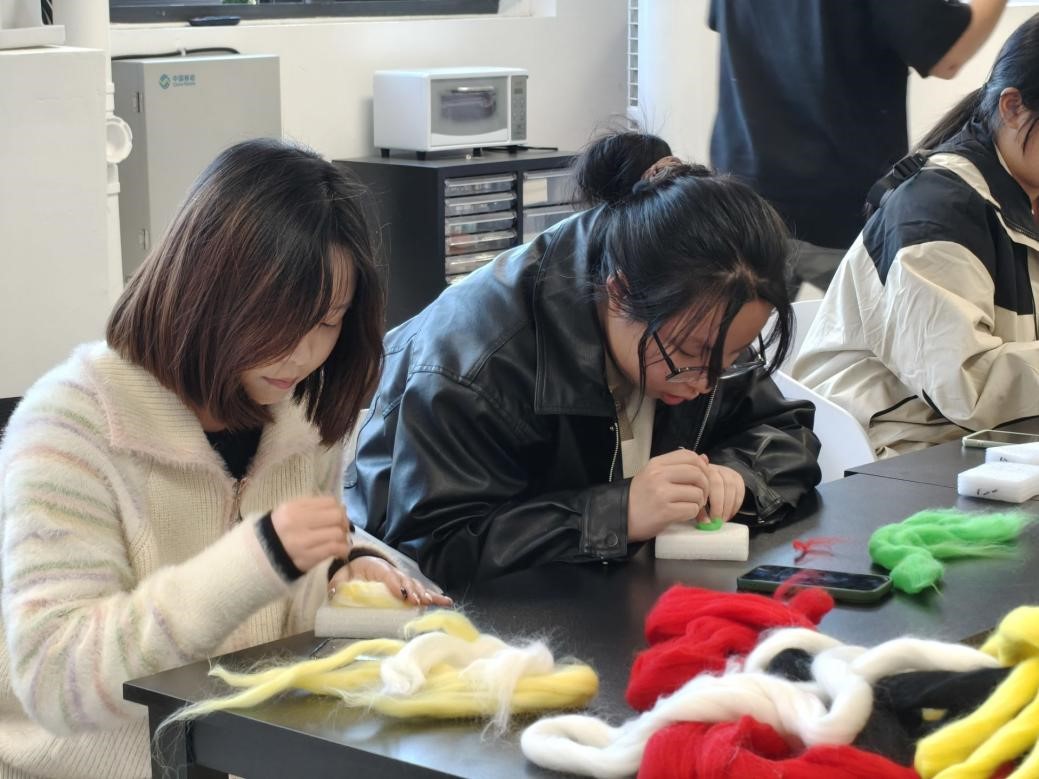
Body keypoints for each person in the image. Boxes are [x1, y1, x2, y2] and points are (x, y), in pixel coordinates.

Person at [0, 139, 449, 779]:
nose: (301, 355)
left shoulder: (301, 416)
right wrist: (254, 561)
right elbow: (57, 682)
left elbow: (277, 610)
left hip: (250, 757)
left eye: (327, 321)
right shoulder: (71, 429)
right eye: (277, 319)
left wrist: (350, 570)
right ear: (205, 288)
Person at [347, 131, 822, 590]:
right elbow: (439, 548)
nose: (706, 383)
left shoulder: (702, 304)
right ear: (619, 294)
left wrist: (736, 475)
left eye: (733, 355)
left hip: (614, 592)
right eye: (688, 355)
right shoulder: (475, 363)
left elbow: (785, 433)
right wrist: (619, 513)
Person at [792, 14, 1039, 457]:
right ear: (1012, 107)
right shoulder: (938, 211)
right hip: (895, 453)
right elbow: (966, 385)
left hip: (989, 441)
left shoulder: (1018, 192)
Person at [709, 0, 1007, 292]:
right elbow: (949, 54)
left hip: (743, 190)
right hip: (839, 203)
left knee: (746, 324)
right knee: (877, 322)